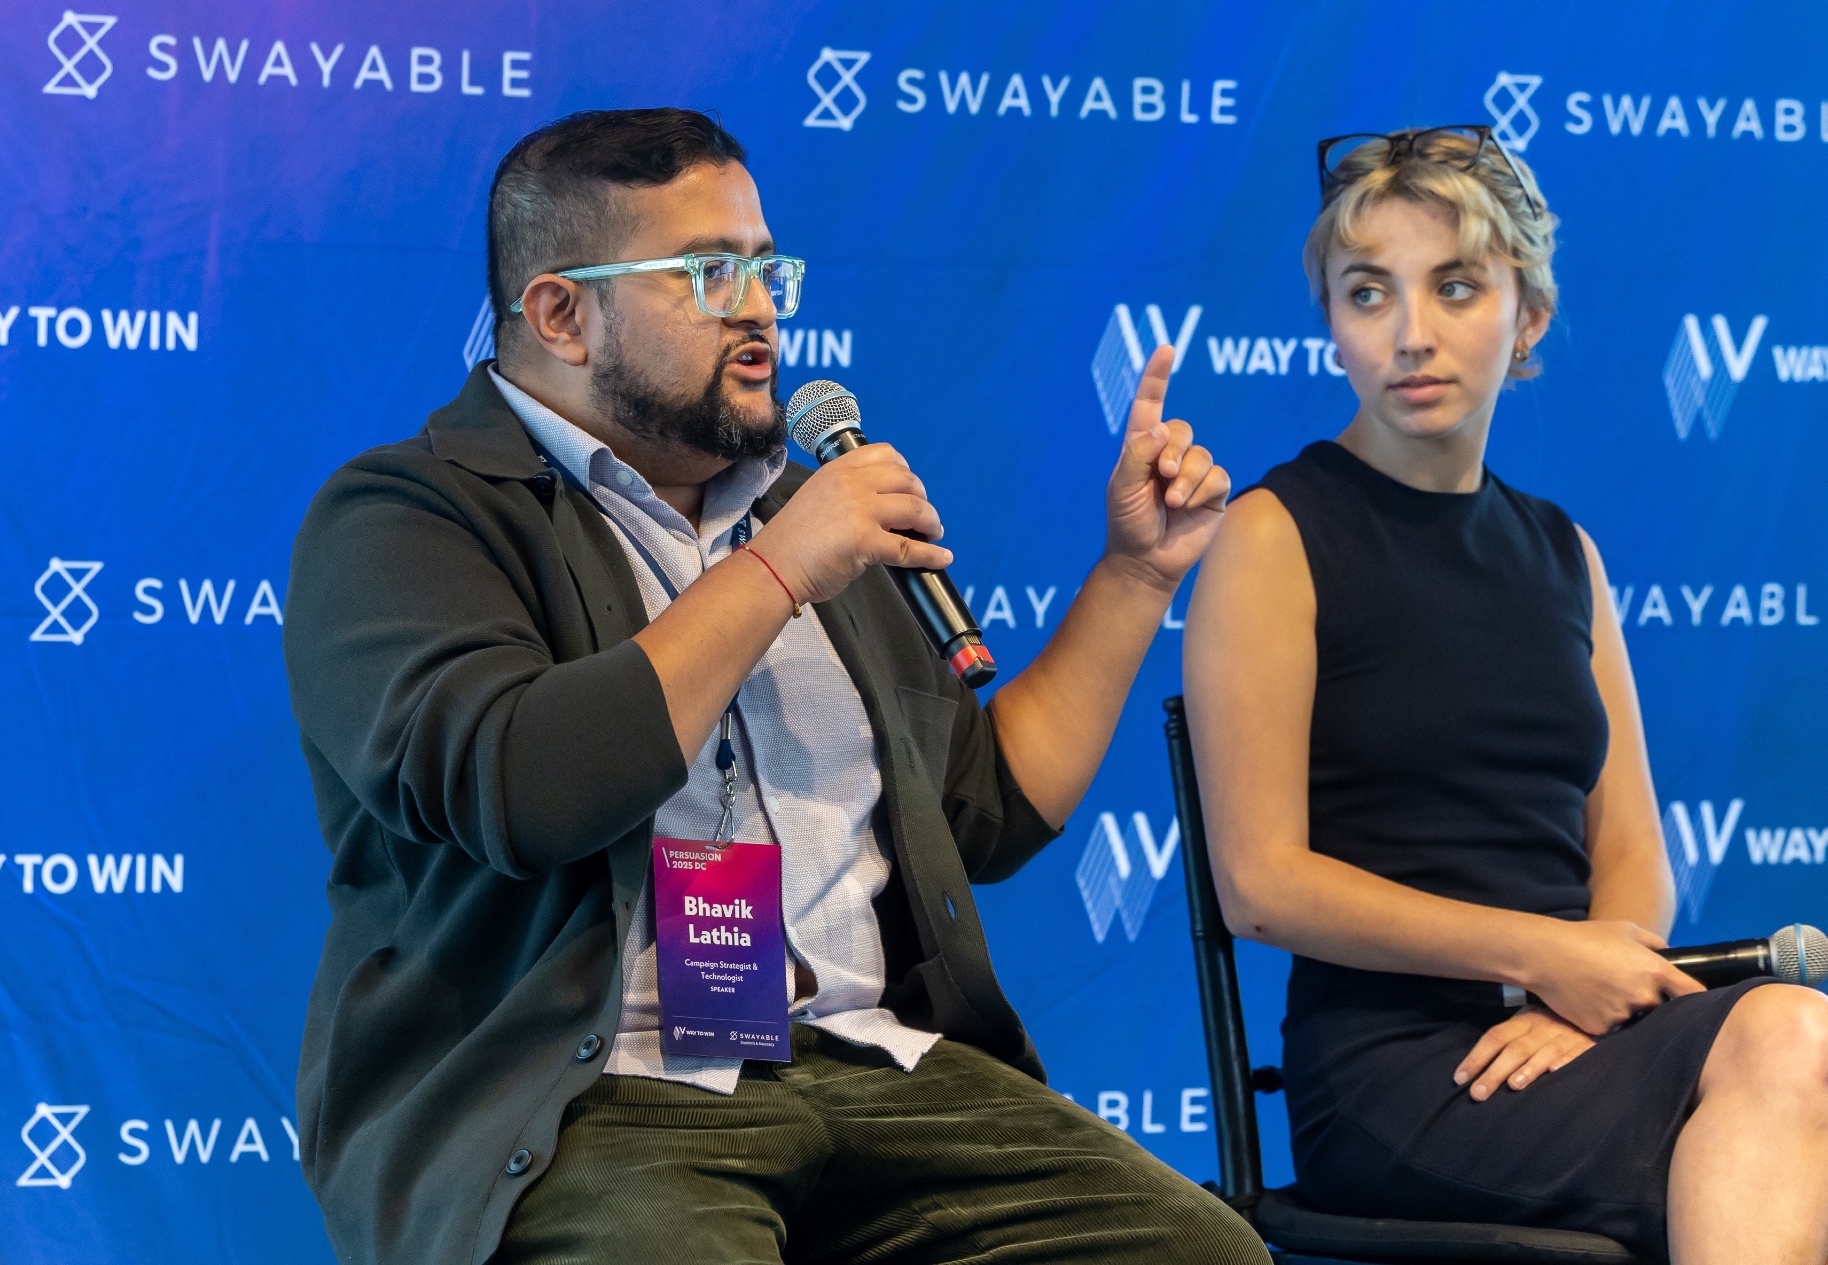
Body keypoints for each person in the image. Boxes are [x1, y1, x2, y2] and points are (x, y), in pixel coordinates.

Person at [282, 108, 1266, 1265]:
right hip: (591, 1097)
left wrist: (1135, 574)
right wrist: (778, 570)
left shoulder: (804, 508)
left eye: (765, 267)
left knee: (1201, 1254)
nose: (758, 307)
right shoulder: (410, 515)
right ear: (560, 315)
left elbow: (983, 814)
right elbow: (522, 789)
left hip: (866, 1060)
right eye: (709, 272)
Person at [1183, 125, 1828, 1264]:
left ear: (1527, 314)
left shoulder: (1564, 552)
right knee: (1790, 1038)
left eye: (1455, 286)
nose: (1410, 333)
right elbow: (1262, 885)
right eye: (1368, 292)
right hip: (1397, 1074)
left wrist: (1576, 995)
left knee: (1791, 1069)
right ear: (1330, 318)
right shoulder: (1272, 535)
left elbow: (1631, 854)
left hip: (1575, 1032)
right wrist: (1541, 958)